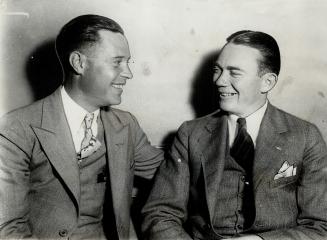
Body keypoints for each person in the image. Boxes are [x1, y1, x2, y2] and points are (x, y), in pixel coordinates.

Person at [142, 30, 327, 240]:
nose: (220, 81)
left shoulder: (305, 136)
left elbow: (320, 226)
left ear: (267, 82)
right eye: (217, 70)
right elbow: (159, 214)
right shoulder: (190, 134)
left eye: (234, 72)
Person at [0, 14, 163, 239]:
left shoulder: (125, 125)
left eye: (128, 62)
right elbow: (7, 228)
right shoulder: (16, 129)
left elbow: (172, 174)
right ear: (79, 63)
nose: (128, 73)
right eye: (117, 62)